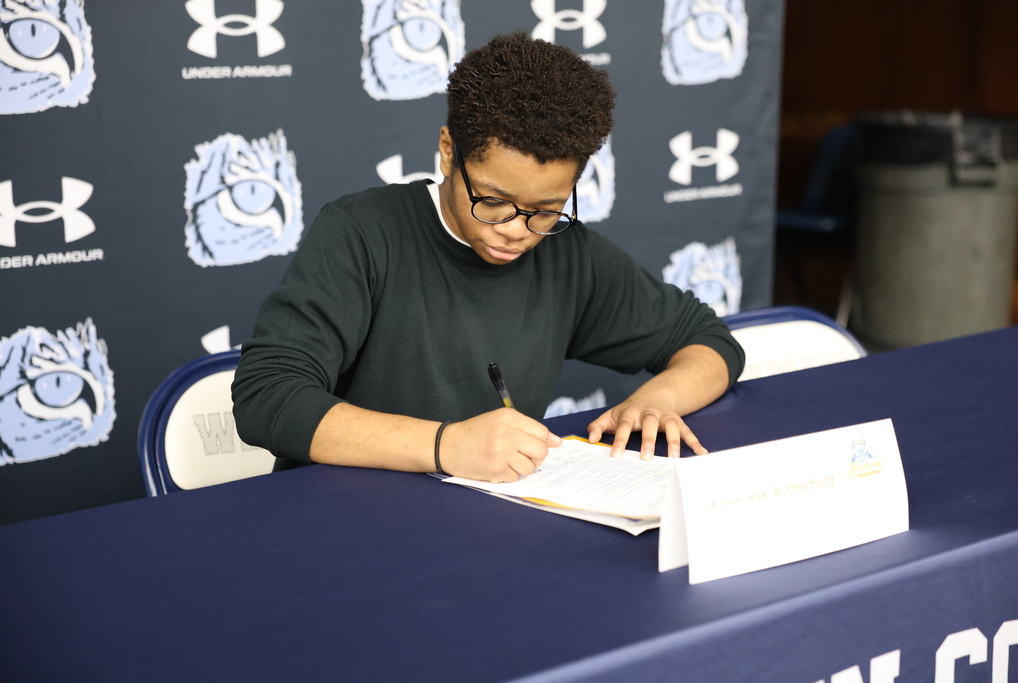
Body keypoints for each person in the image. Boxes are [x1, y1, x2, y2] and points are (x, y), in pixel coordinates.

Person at [232, 31, 744, 483]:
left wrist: (657, 400)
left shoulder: (569, 256)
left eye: (545, 209)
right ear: (448, 151)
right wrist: (446, 446)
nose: (516, 231)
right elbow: (268, 396)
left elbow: (708, 342)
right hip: (348, 519)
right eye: (493, 202)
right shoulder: (363, 233)